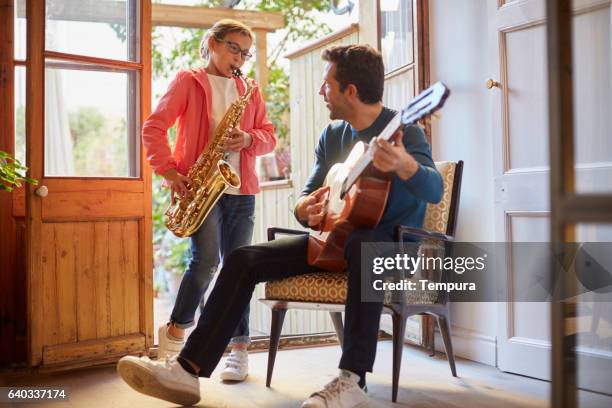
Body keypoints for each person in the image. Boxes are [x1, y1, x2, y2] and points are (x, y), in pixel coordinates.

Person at [119, 44, 443, 408]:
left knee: (365, 244)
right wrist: (309, 208)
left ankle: (353, 381)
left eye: (327, 85)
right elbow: (306, 198)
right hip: (335, 239)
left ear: (350, 91)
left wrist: (404, 165)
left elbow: (435, 189)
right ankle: (188, 370)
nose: (322, 92)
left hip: (390, 249)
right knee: (243, 259)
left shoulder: (406, 134)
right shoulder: (333, 135)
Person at [142, 19, 276, 382]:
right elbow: (153, 128)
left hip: (240, 190)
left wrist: (248, 139)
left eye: (245, 53)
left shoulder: (249, 88)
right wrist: (169, 171)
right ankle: (176, 334)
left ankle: (239, 349)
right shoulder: (189, 81)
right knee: (205, 264)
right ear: (213, 43)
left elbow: (269, 137)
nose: (240, 58)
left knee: (240, 269)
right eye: (234, 48)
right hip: (202, 187)